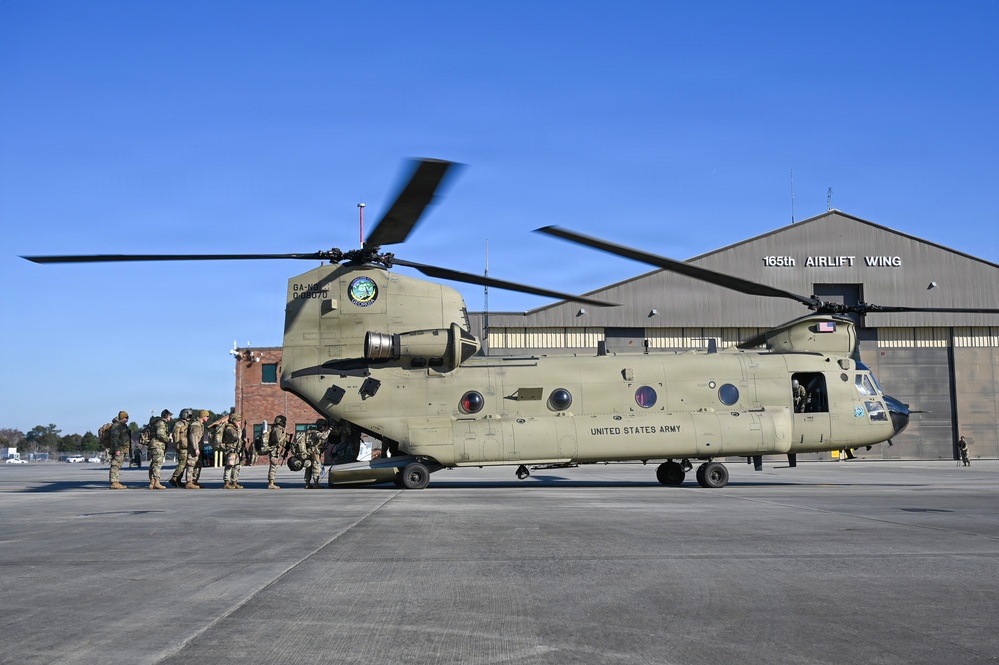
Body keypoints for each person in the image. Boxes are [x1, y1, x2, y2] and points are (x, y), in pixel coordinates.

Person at [146, 409, 172, 489]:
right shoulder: (161, 423)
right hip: (158, 445)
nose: (170, 417)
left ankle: (152, 482)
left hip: (153, 445)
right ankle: (156, 482)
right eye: (170, 416)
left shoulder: (155, 423)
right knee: (157, 464)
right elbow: (160, 434)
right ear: (167, 416)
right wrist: (169, 439)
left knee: (153, 464)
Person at [259, 415, 287, 489]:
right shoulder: (278, 429)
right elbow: (278, 440)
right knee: (273, 466)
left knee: (273, 466)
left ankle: (271, 482)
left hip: (274, 449)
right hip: (275, 450)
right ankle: (271, 483)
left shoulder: (274, 428)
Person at [304, 418, 331, 488]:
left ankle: (307, 484)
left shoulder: (311, 432)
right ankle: (316, 484)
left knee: (309, 469)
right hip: (314, 453)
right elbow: (323, 437)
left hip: (309, 451)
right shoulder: (316, 433)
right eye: (324, 426)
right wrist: (329, 430)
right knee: (316, 467)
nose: (325, 428)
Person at [168, 409, 192, 487]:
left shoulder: (187, 424)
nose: (189, 417)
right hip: (181, 447)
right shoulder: (178, 424)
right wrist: (178, 445)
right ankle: (174, 478)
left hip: (186, 446)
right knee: (182, 463)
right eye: (188, 415)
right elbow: (176, 436)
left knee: (184, 464)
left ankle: (178, 480)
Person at [185, 410, 209, 489]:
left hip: (199, 448)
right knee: (191, 464)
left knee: (198, 465)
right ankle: (189, 482)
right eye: (207, 416)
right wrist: (196, 448)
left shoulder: (200, 425)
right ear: (203, 416)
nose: (208, 418)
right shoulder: (196, 425)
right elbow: (193, 437)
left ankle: (194, 481)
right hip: (194, 449)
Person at [108, 411, 131, 490]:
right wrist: (117, 449)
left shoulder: (122, 425)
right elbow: (115, 438)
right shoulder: (116, 426)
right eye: (126, 417)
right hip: (119, 449)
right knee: (115, 465)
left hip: (122, 448)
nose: (127, 419)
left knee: (118, 465)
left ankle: (116, 481)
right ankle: (114, 482)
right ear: (122, 418)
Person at [221, 414, 245, 489]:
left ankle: (234, 482)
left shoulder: (233, 428)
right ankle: (226, 482)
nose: (239, 422)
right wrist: (238, 428)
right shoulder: (229, 428)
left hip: (236, 450)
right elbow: (237, 436)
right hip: (230, 450)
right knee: (229, 466)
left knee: (237, 466)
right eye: (238, 421)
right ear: (233, 420)